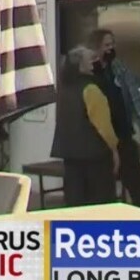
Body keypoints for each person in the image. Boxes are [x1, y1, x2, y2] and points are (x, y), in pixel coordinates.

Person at [87, 28, 140, 210]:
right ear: (96, 47)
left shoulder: (119, 68)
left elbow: (135, 97)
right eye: (106, 45)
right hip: (100, 140)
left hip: (123, 134)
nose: (111, 48)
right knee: (104, 190)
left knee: (136, 181)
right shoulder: (89, 72)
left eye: (112, 44)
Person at [49, 45, 120, 207]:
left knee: (75, 206)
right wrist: (115, 149)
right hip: (96, 158)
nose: (94, 63)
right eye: (91, 60)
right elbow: (103, 126)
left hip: (70, 157)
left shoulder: (64, 90)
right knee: (100, 206)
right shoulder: (91, 89)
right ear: (81, 65)